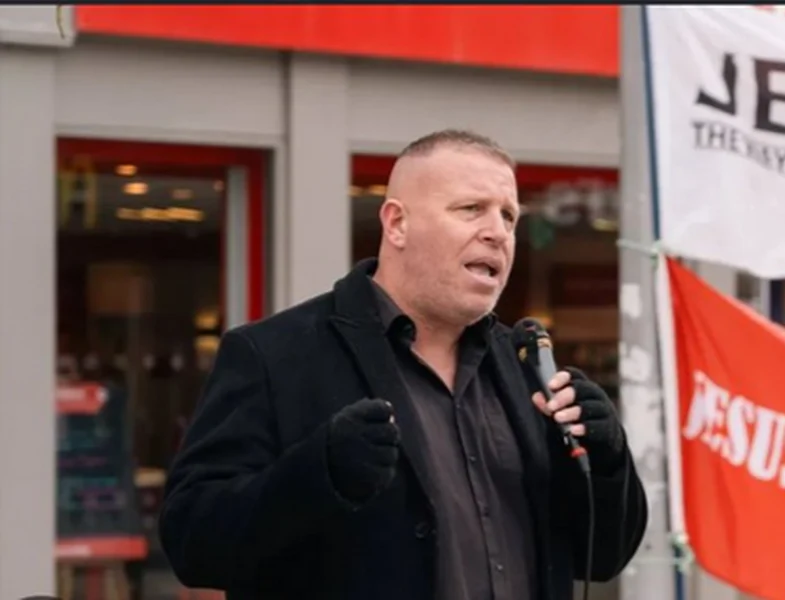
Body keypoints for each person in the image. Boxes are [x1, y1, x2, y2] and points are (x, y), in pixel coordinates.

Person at [159, 129, 648, 599]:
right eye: (471, 209)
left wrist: (607, 462)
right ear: (397, 224)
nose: (497, 233)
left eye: (508, 217)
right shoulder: (273, 354)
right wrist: (317, 474)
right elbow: (192, 543)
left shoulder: (526, 368)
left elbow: (601, 558)